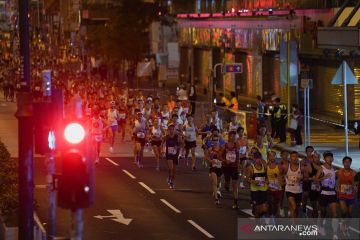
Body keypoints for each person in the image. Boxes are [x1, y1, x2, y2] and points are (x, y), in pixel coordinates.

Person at [315, 151, 338, 239]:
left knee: (334, 214)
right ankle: (320, 226)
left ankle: (335, 233)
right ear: (324, 159)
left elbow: (333, 180)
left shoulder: (333, 168)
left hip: (332, 193)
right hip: (324, 193)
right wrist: (324, 177)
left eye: (331, 157)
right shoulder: (321, 168)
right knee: (323, 213)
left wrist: (336, 187)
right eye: (328, 157)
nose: (330, 159)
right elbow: (315, 180)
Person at [280, 151, 304, 225]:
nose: (294, 158)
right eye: (293, 156)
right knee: (293, 206)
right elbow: (280, 174)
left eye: (296, 156)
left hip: (299, 190)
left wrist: (301, 178)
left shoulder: (301, 167)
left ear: (298, 158)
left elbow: (305, 177)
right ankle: (294, 225)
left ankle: (294, 220)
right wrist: (282, 181)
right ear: (290, 158)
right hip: (289, 189)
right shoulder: (286, 166)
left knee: (296, 208)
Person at [337, 156, 356, 237]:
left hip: (351, 196)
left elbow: (356, 185)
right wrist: (336, 187)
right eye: (345, 162)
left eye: (348, 162)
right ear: (343, 163)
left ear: (350, 163)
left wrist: (355, 187)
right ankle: (342, 224)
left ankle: (346, 228)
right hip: (342, 195)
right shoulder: (338, 172)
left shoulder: (354, 173)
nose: (347, 163)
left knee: (349, 214)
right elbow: (334, 180)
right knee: (344, 211)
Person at [220, 130, 240, 209]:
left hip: (234, 167)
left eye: (235, 136)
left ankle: (235, 202)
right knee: (227, 182)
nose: (233, 137)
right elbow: (219, 156)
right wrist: (225, 160)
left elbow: (238, 157)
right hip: (226, 167)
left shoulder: (237, 145)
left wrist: (239, 166)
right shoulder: (225, 145)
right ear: (229, 137)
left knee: (235, 185)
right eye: (232, 136)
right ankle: (226, 185)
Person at [246, 151, 268, 220]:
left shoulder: (264, 167)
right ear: (253, 159)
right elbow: (247, 179)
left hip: (263, 190)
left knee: (264, 209)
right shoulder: (250, 168)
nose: (258, 160)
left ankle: (256, 212)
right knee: (257, 210)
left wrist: (266, 181)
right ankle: (257, 224)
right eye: (256, 158)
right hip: (255, 191)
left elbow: (267, 177)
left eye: (259, 158)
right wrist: (253, 181)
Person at [304, 151, 322, 219]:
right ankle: (315, 223)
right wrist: (311, 178)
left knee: (321, 207)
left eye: (318, 157)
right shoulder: (308, 167)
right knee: (315, 209)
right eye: (315, 157)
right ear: (312, 158)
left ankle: (321, 224)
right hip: (313, 190)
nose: (317, 159)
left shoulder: (323, 166)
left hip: (322, 189)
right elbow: (305, 179)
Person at [163, 124, 180, 189]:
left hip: (175, 155)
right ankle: (171, 182)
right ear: (168, 130)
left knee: (174, 171)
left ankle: (171, 179)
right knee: (171, 168)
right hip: (169, 154)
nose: (171, 131)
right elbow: (162, 143)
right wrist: (162, 150)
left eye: (173, 129)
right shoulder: (166, 137)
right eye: (170, 129)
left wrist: (177, 147)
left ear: (174, 130)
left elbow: (181, 144)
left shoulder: (177, 137)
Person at [266, 151, 282, 223]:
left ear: (275, 157)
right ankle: (271, 216)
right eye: (270, 156)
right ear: (268, 157)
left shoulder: (279, 165)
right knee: (270, 202)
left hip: (277, 188)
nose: (272, 157)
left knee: (276, 203)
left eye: (273, 156)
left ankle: (274, 215)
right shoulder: (266, 166)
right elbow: (265, 176)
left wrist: (278, 178)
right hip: (269, 187)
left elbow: (282, 176)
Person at [207, 136, 223, 206]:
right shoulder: (210, 149)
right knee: (214, 183)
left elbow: (225, 157)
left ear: (218, 141)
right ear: (212, 141)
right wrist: (210, 160)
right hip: (213, 168)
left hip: (220, 168)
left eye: (216, 140)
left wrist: (221, 161)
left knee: (218, 182)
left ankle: (217, 190)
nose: (215, 141)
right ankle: (216, 199)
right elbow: (206, 157)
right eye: (214, 140)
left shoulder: (222, 149)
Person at [301, 146, 314, 217]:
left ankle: (315, 211)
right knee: (305, 195)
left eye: (312, 151)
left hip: (314, 181)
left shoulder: (316, 160)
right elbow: (302, 171)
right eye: (309, 151)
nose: (310, 152)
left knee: (314, 197)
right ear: (306, 152)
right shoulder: (303, 161)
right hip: (306, 180)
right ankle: (304, 209)